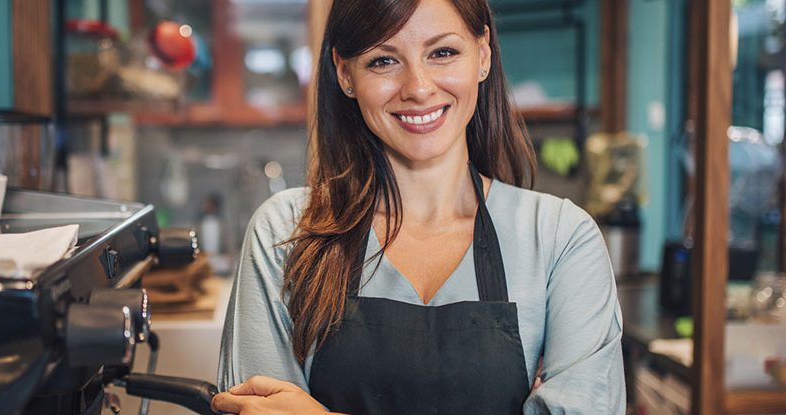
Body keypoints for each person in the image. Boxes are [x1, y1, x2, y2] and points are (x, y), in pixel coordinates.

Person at [213, 0, 626, 413]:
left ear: (482, 55)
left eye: (442, 52)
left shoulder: (560, 238)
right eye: (383, 61)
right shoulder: (287, 232)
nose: (418, 87)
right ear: (345, 73)